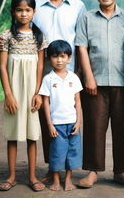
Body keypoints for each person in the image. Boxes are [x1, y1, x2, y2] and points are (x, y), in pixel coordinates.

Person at [0, 0, 86, 178]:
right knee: (43, 123)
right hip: (41, 74)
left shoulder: (78, 6)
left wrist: (82, 73)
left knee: (68, 119)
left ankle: (66, 168)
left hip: (69, 74)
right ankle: (51, 168)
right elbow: (18, 30)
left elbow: (82, 40)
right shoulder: (34, 4)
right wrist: (2, 40)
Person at [75, 0, 124, 188]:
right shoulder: (86, 17)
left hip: (123, 83)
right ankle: (93, 171)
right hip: (95, 83)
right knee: (94, 127)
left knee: (123, 129)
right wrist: (88, 77)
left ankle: (121, 170)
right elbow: (82, 48)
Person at [0, 0, 48, 192]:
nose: (24, 14)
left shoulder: (39, 36)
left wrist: (37, 94)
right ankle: (11, 176)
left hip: (31, 92)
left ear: (34, 12)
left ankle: (32, 176)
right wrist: (8, 95)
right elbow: (2, 67)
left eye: (28, 10)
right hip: (14, 91)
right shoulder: (6, 36)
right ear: (13, 12)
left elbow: (40, 67)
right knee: (12, 133)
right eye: (19, 10)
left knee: (31, 134)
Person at [39, 40, 83, 191]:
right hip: (56, 124)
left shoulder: (74, 78)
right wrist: (49, 124)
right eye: (55, 56)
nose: (59, 60)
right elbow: (45, 103)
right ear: (49, 58)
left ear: (69, 58)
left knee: (72, 152)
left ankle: (68, 180)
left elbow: (78, 102)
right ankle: (56, 180)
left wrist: (79, 122)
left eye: (63, 56)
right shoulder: (48, 79)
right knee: (57, 153)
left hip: (72, 123)